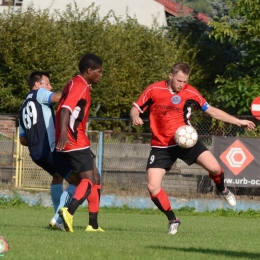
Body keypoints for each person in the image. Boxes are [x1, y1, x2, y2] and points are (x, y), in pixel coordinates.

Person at [130, 62, 256, 235]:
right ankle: (173, 219)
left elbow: (211, 111)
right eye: (179, 81)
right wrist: (135, 116)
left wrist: (238, 121)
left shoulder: (191, 92)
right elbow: (135, 109)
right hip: (161, 145)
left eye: (185, 81)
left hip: (186, 141)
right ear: (170, 76)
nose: (182, 85)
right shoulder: (153, 90)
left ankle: (223, 190)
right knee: (152, 186)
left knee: (215, 168)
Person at [19, 71, 78, 230]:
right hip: (51, 149)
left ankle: (56, 218)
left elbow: (23, 139)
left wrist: (36, 141)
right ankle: (59, 217)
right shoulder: (39, 93)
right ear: (37, 85)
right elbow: (58, 98)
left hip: (36, 154)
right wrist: (75, 87)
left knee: (57, 176)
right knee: (78, 180)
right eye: (47, 83)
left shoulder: (23, 106)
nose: (50, 87)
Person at [56, 53, 104, 233]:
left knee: (96, 177)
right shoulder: (79, 85)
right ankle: (68, 212)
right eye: (99, 72)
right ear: (89, 70)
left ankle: (93, 225)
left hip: (77, 139)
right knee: (89, 181)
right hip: (74, 140)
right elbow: (65, 110)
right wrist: (62, 134)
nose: (101, 75)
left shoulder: (75, 82)